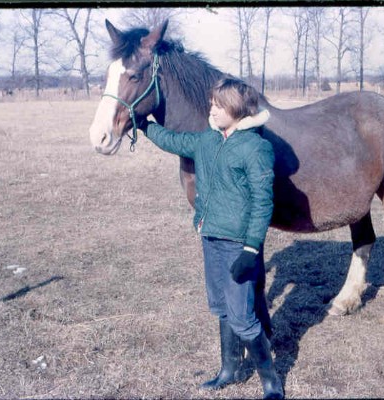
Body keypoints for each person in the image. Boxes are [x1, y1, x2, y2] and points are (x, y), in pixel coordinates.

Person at [140, 77, 283, 399]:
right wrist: (145, 126)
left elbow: (263, 204)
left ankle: (271, 379)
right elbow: (174, 141)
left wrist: (250, 249)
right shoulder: (207, 140)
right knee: (221, 307)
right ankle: (230, 370)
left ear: (237, 110)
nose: (212, 110)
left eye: (219, 105)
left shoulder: (256, 149)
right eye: (212, 104)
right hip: (211, 237)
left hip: (238, 244)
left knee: (243, 317)